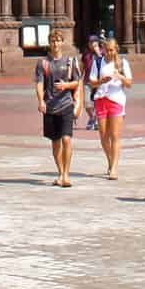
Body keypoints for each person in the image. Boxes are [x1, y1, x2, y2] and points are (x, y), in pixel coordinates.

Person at [33, 33, 84, 188]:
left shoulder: (70, 61)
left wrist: (65, 86)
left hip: (66, 104)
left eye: (58, 41)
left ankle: (66, 175)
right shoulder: (43, 63)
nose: (55, 43)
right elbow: (39, 83)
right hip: (50, 107)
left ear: (62, 42)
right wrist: (41, 101)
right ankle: (60, 172)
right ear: (49, 43)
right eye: (52, 41)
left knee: (66, 139)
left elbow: (77, 82)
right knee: (55, 143)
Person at [92, 36, 134, 179]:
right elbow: (91, 83)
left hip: (116, 100)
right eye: (106, 50)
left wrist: (120, 77)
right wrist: (100, 81)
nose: (109, 53)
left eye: (111, 50)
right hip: (100, 100)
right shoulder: (98, 62)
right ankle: (110, 160)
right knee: (104, 137)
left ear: (116, 49)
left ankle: (114, 167)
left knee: (115, 136)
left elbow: (129, 83)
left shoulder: (122, 63)